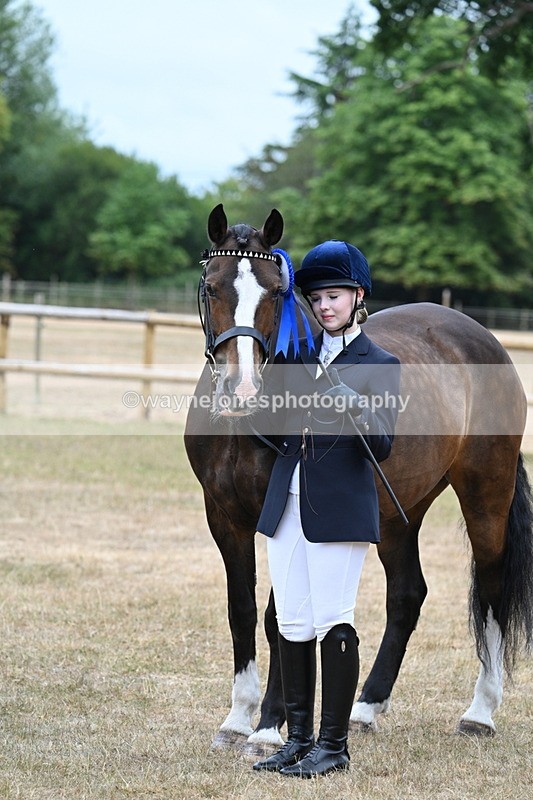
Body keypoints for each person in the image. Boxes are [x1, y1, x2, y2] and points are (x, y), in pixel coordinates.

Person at [252, 240, 401, 778]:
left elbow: (382, 444)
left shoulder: (379, 363)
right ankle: (298, 740)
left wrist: (354, 405)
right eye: (316, 299)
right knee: (291, 619)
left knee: (332, 620)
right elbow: (272, 427)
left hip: (339, 507)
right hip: (286, 503)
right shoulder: (296, 356)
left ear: (358, 296)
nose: (324, 307)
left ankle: (333, 745)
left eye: (334, 296)